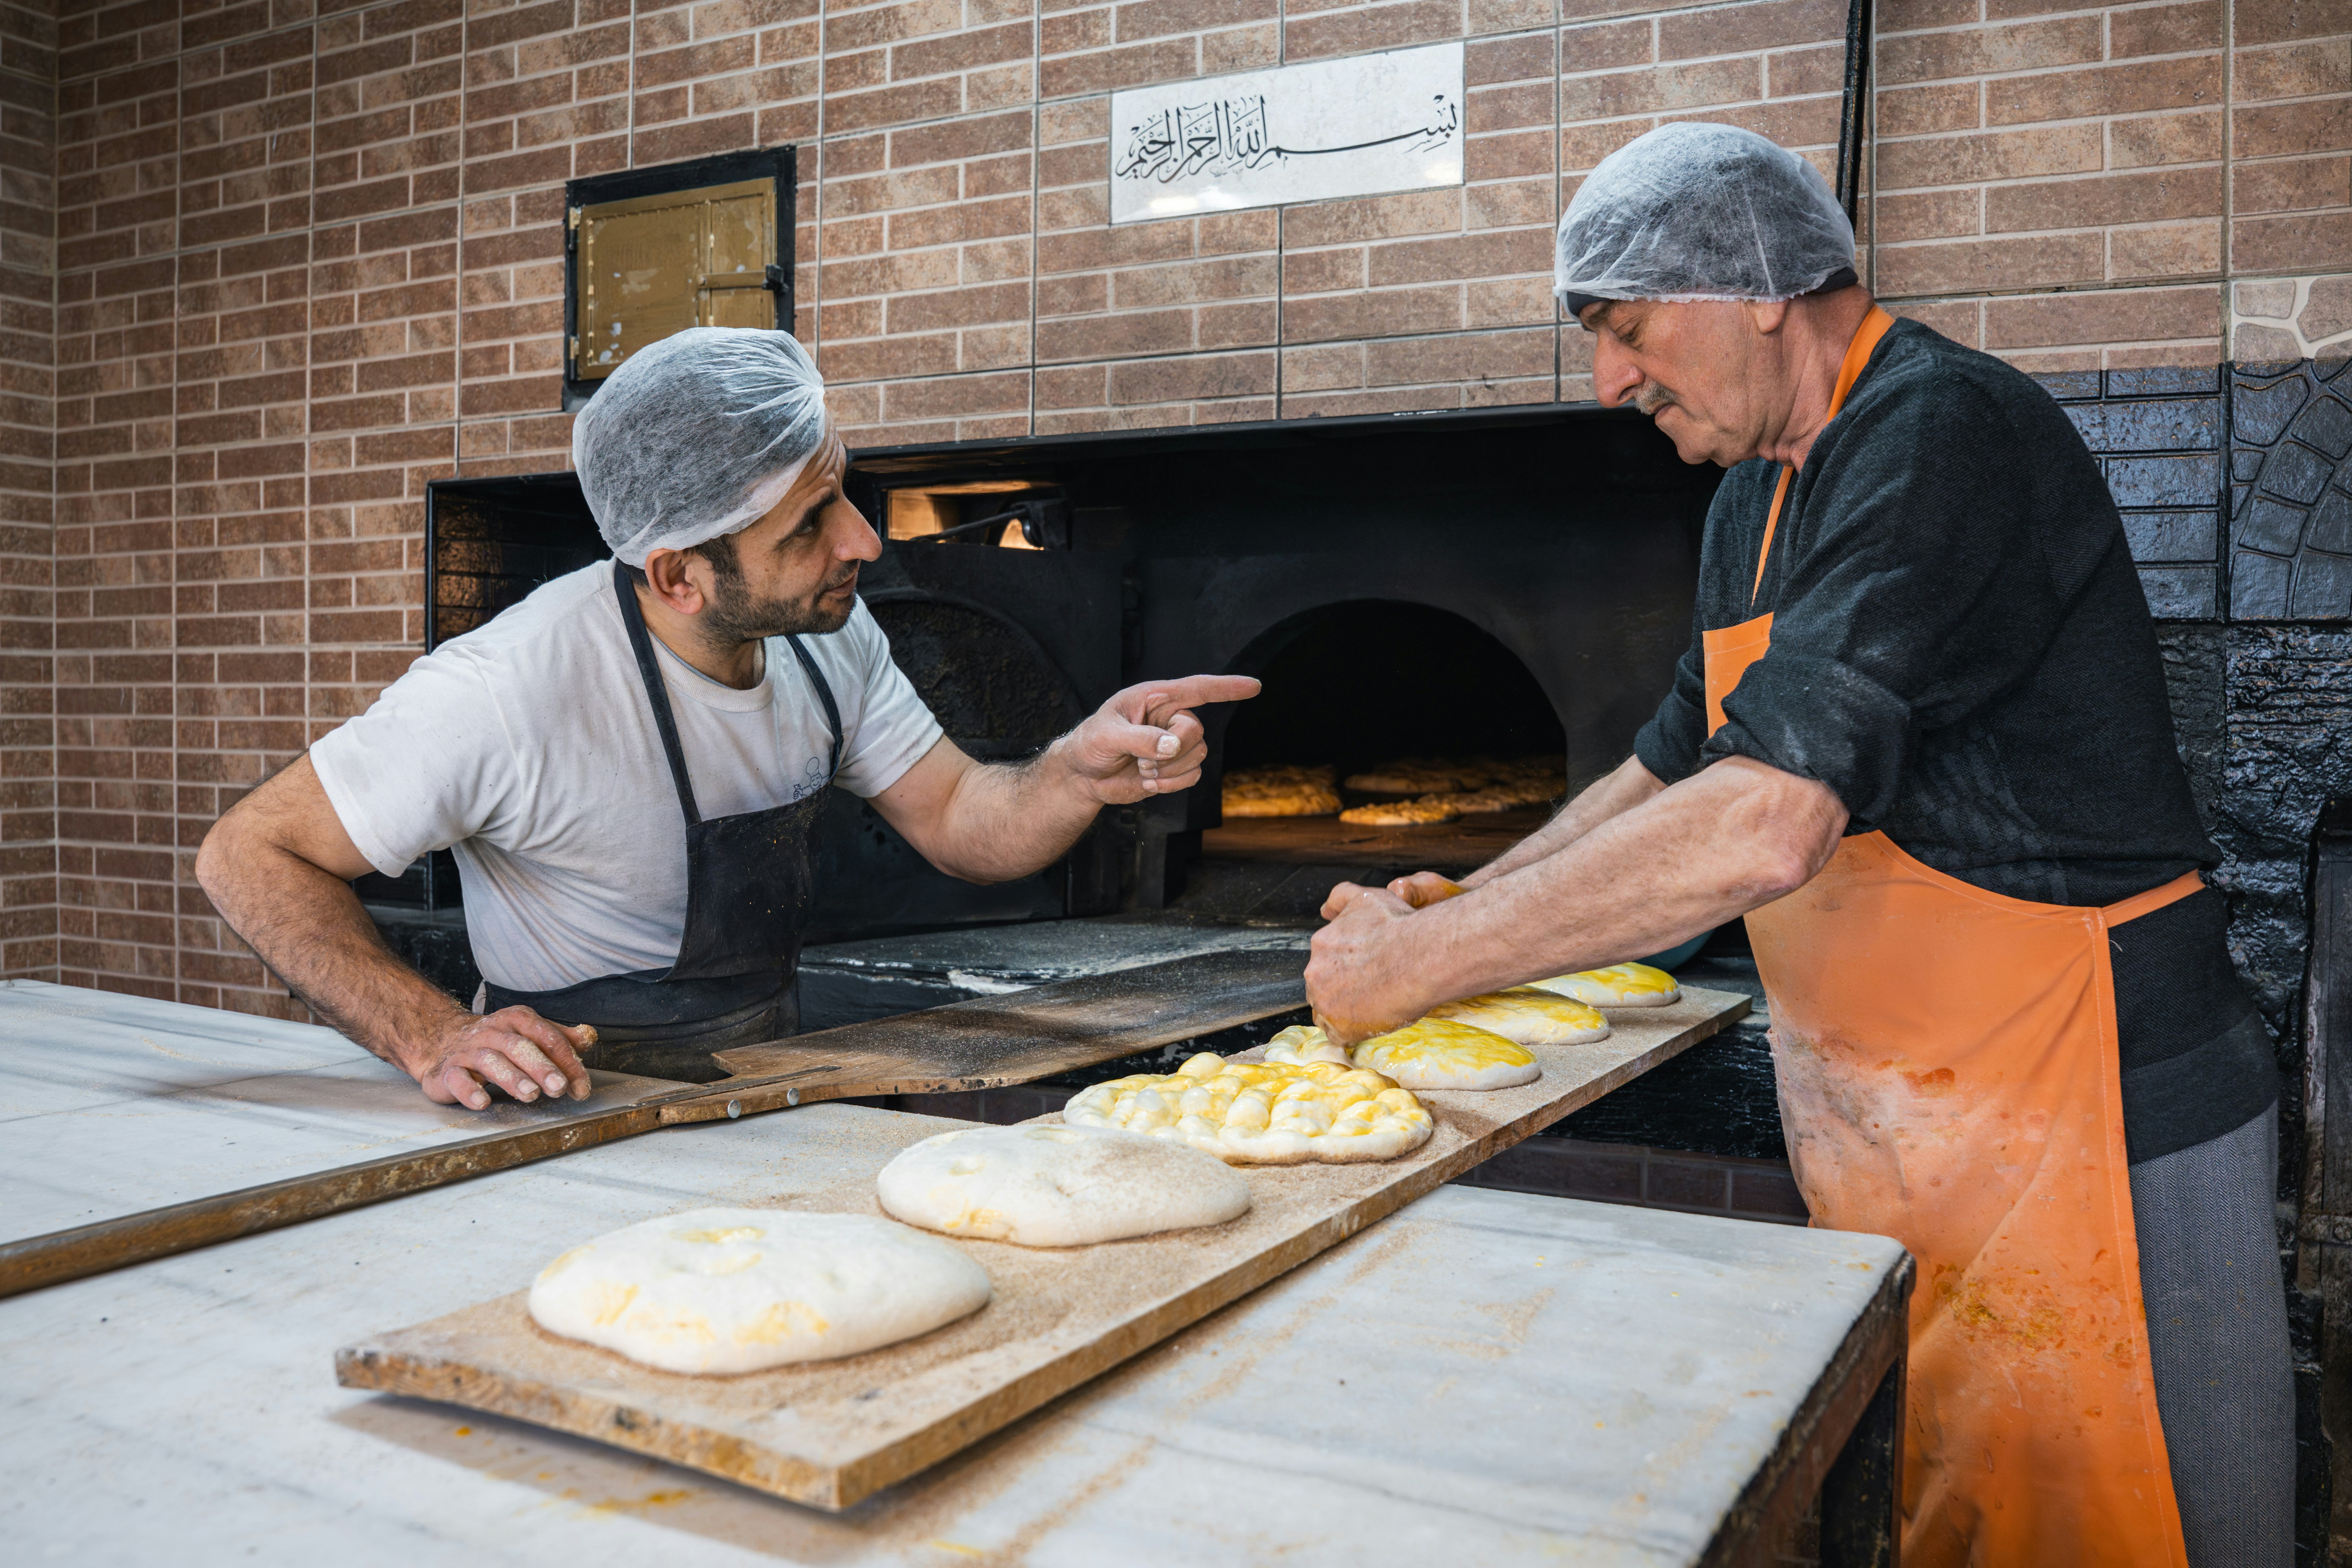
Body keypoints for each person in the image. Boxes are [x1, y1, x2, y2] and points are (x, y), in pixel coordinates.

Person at [1303, 122, 2289, 1567]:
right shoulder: (1750, 493)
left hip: (2098, 1108)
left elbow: (1766, 822)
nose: (1610, 382)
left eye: (1629, 330)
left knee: (2134, 1528)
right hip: (1920, 1130)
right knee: (1955, 1509)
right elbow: (1681, 762)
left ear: (1761, 283)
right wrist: (1463, 904)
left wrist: (1418, 969)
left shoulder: (1941, 435)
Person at [198, 328, 1257, 1102]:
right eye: (810, 526)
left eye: (844, 492)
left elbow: (958, 815)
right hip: (566, 1097)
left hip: (768, 1064)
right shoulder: (507, 690)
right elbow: (250, 852)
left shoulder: (827, 635)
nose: (862, 543)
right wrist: (429, 1035)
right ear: (679, 576)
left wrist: (1074, 771)